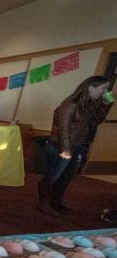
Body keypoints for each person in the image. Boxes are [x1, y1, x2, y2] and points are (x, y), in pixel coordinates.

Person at [38, 76, 111, 215]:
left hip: (78, 146)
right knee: (53, 176)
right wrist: (66, 151)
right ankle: (43, 203)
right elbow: (63, 130)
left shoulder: (90, 105)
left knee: (66, 176)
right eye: (103, 88)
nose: (104, 91)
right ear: (91, 88)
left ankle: (56, 201)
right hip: (62, 146)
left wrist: (107, 103)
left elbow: (98, 120)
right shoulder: (69, 104)